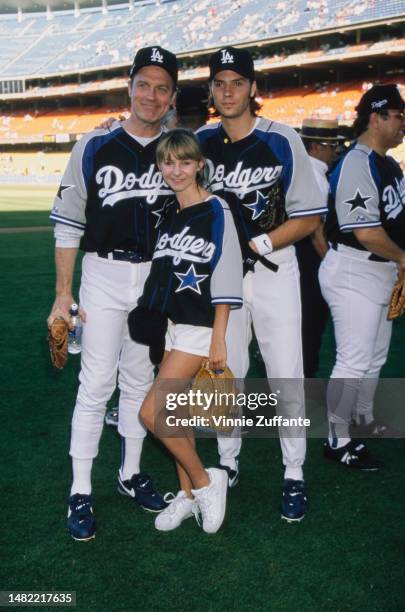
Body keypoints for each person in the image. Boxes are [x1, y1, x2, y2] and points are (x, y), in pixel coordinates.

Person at [47, 45, 179, 541]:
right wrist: (64, 294)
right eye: (143, 83)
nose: (150, 94)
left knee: (139, 381)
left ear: (171, 98)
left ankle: (130, 473)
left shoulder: (179, 151)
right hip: (103, 274)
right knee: (95, 383)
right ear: (129, 88)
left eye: (161, 87)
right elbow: (67, 224)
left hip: (153, 279)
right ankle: (80, 488)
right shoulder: (94, 145)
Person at [197, 47, 326, 521]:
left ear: (253, 89)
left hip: (274, 270)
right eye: (220, 82)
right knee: (225, 368)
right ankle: (227, 462)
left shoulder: (281, 138)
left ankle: (294, 471)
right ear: (211, 90)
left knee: (284, 370)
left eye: (237, 82)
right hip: (223, 278)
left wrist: (261, 245)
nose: (228, 91)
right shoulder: (201, 142)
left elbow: (310, 214)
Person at [136, 128, 243, 533]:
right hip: (174, 328)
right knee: (176, 412)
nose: (175, 170)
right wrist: (160, 332)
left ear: (200, 164)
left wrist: (219, 336)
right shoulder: (170, 215)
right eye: (167, 161)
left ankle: (204, 481)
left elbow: (228, 271)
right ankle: (185, 497)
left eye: (184, 161)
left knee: (152, 412)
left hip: (201, 328)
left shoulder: (217, 209)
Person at [319, 84, 405, 468]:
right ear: (377, 117)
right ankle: (336, 439)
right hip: (355, 268)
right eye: (399, 116)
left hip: (379, 269)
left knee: (374, 357)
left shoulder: (386, 162)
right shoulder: (358, 162)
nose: (403, 124)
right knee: (353, 359)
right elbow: (366, 232)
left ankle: (363, 419)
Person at [295, 118, 341, 377]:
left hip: (301, 254)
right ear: (314, 147)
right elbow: (315, 230)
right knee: (310, 323)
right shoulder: (315, 175)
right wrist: (330, 264)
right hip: (308, 257)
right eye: (329, 145)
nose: (335, 150)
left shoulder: (309, 171)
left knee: (305, 324)